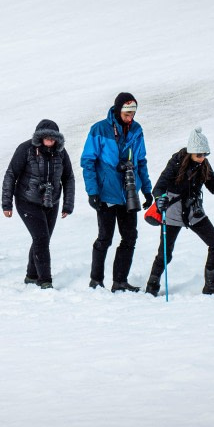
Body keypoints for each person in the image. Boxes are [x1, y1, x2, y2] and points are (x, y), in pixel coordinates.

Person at [145, 127, 214, 297]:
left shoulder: (204, 164)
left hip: (193, 211)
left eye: (205, 154)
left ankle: (210, 286)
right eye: (199, 154)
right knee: (165, 253)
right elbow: (159, 186)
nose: (202, 158)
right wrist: (159, 198)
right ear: (191, 151)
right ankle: (151, 288)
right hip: (173, 210)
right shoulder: (176, 161)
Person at [80, 92, 153, 292]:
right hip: (106, 193)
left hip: (128, 192)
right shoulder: (99, 130)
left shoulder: (137, 130)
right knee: (105, 238)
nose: (131, 117)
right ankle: (96, 280)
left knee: (130, 237)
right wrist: (92, 191)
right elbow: (88, 162)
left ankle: (120, 281)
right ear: (118, 109)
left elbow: (141, 161)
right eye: (127, 113)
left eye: (133, 113)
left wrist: (147, 190)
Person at [1, 120, 75, 289]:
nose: (50, 140)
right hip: (27, 201)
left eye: (53, 138)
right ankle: (45, 280)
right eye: (46, 137)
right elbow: (11, 174)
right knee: (41, 238)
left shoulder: (61, 153)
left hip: (51, 202)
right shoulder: (25, 149)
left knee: (42, 238)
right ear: (39, 137)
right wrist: (7, 204)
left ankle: (31, 275)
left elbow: (69, 177)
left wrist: (67, 204)